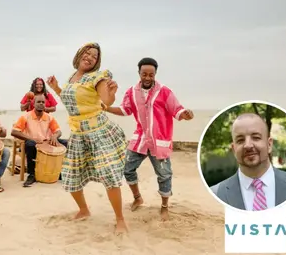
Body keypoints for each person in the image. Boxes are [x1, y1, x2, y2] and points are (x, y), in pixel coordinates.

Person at [45, 42, 128, 234]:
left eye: (94, 56)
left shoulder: (97, 77)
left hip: (99, 132)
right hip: (78, 134)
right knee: (71, 176)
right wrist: (57, 88)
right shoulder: (72, 78)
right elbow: (70, 101)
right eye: (87, 53)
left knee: (109, 175)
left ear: (97, 62)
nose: (89, 57)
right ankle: (83, 210)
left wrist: (112, 95)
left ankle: (120, 219)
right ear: (79, 54)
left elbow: (105, 101)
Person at [104, 57, 194, 220]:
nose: (147, 78)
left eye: (151, 75)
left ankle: (165, 207)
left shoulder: (165, 92)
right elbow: (125, 110)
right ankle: (138, 198)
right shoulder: (131, 92)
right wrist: (107, 108)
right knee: (127, 169)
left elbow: (177, 110)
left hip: (159, 142)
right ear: (139, 73)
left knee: (164, 175)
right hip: (140, 140)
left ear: (155, 74)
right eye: (144, 74)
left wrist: (185, 115)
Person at [209, 113, 286, 211]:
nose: (248, 145)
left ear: (269, 145)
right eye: (240, 140)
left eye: (256, 137)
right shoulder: (215, 194)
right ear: (234, 149)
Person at [11, 94, 68, 187]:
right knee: (30, 144)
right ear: (33, 103)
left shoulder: (49, 117)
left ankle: (60, 171)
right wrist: (32, 138)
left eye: (43, 102)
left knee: (66, 143)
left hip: (47, 142)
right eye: (38, 102)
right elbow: (14, 132)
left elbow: (58, 131)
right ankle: (32, 174)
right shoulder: (25, 116)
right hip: (32, 142)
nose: (41, 104)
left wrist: (55, 136)